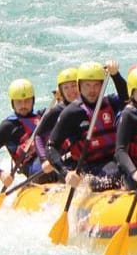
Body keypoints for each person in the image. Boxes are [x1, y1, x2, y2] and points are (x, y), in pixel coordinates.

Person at [46, 58, 128, 187]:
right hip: (90, 167)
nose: (92, 90)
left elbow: (127, 97)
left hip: (116, 159)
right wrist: (65, 172)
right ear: (80, 86)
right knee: (116, 173)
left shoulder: (111, 102)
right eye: (87, 85)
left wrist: (115, 75)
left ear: (102, 85)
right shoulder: (72, 112)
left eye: (96, 85)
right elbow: (51, 146)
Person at [0, 78, 46, 187]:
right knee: (44, 166)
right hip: (34, 170)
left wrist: (60, 97)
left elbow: (65, 110)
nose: (23, 105)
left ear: (33, 100)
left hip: (48, 159)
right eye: (19, 102)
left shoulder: (43, 115)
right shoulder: (8, 126)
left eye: (27, 101)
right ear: (12, 103)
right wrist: (0, 173)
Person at [33, 66, 81, 176]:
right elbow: (38, 135)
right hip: (65, 159)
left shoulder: (90, 106)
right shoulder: (57, 111)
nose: (71, 91)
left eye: (74, 86)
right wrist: (44, 159)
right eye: (66, 88)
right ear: (61, 91)